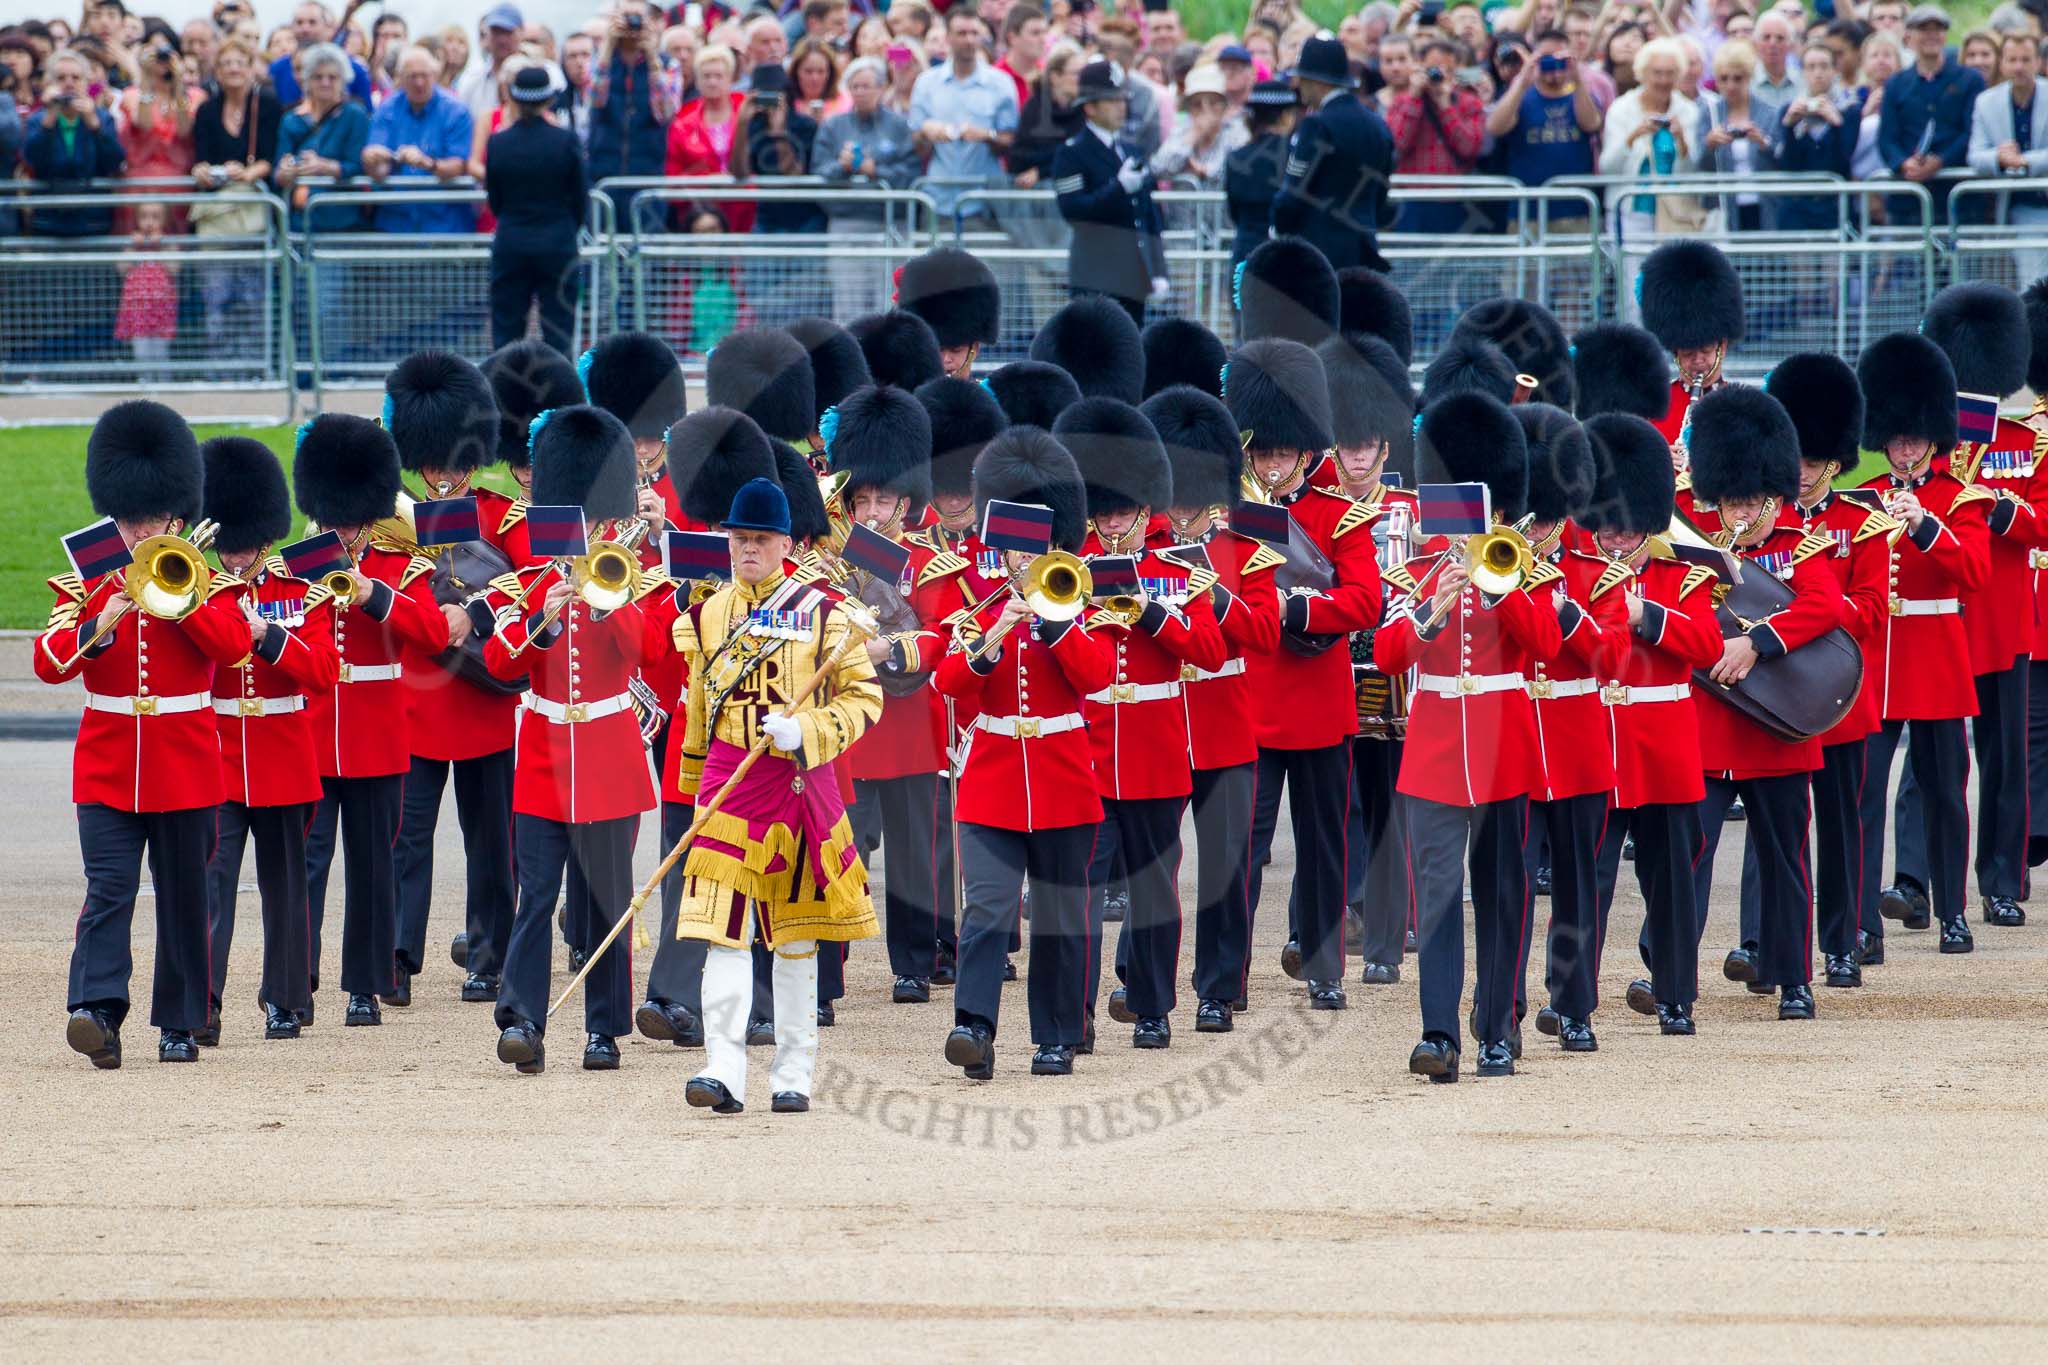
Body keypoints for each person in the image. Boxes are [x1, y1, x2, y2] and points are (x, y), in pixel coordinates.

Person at [36, 402, 250, 1068]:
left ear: (176, 517)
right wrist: (106, 608)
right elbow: (50, 659)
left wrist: (178, 599)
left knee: (186, 895)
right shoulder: (89, 580)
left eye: (151, 520)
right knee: (109, 890)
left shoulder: (205, 580)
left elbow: (236, 648)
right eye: (130, 520)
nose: (139, 531)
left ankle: (181, 1020)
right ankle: (97, 1009)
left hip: (185, 763)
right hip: (107, 762)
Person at [671, 475, 882, 1112]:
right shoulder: (708, 613)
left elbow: (865, 699)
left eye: (760, 539)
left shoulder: (826, 610)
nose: (747, 550)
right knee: (723, 933)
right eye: (739, 539)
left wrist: (807, 730)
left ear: (784, 542)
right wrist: (693, 790)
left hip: (796, 782)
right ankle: (723, 1069)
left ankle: (792, 1073)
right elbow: (701, 710)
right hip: (730, 786)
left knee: (795, 937)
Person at [1375, 392, 1562, 1081]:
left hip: (1501, 748)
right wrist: (1433, 608)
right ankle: (1438, 1032)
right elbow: (1390, 652)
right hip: (1432, 754)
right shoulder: (1420, 573)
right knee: (1440, 897)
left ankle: (1498, 1027)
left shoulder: (1523, 568)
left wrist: (1500, 584)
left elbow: (1545, 642)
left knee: (1503, 891)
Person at [476, 406, 662, 1075]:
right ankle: (521, 1018)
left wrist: (602, 595)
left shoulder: (623, 578)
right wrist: (546, 615)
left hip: (609, 755)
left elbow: (646, 649)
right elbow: (500, 663)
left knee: (608, 900)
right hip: (545, 760)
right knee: (537, 896)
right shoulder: (529, 586)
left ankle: (604, 1027)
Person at [936, 427, 1112, 1078]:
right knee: (985, 907)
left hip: (1064, 778)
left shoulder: (1078, 598)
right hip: (991, 780)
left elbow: (1096, 677)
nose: (1019, 554)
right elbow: (950, 684)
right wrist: (996, 631)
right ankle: (973, 1027)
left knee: (1062, 916)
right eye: (1010, 543)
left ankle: (1057, 1034)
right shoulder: (979, 607)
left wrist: (1056, 624)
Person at [1057, 398, 1226, 1048]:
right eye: (1102, 513)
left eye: (1121, 511)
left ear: (1143, 508)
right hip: (1091, 752)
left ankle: (1153, 1006)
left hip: (1156, 751)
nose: (1110, 524)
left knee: (1155, 890)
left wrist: (1152, 615)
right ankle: (1071, 1016)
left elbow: (1210, 651)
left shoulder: (1180, 570)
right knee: (1079, 893)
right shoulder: (1070, 572)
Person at [1684, 385, 1849, 1023]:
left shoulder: (1800, 544)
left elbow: (1824, 606)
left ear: (1772, 496)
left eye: (1751, 500)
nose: (1740, 510)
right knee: (1686, 854)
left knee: (1784, 859)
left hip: (1776, 727)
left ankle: (1792, 978)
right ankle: (1669, 972)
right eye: (1730, 499)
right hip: (1711, 727)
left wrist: (1755, 642)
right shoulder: (1699, 552)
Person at [1228, 338, 1383, 1012]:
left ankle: (1324, 968)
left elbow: (1366, 601)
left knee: (1323, 852)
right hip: (1253, 705)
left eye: (1280, 451)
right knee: (1241, 855)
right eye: (1262, 451)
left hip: (1319, 706)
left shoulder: (1337, 515)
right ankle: (1226, 977)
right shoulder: (1229, 518)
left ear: (1303, 449)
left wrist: (1298, 605)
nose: (1270, 462)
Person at [1890, 290, 2040, 937]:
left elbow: (2040, 523)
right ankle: (1916, 880)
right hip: (1936, 620)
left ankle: (2002, 880)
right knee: (1929, 766)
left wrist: (1993, 505)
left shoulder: (2023, 440)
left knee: (2005, 759)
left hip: (2000, 616)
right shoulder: (1931, 440)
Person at [295, 415, 450, 1028]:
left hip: (378, 733)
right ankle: (294, 979)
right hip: (313, 731)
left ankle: (366, 982)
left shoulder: (398, 567)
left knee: (372, 863)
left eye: (354, 519)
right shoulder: (295, 566)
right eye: (337, 518)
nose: (346, 530)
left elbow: (436, 633)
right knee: (307, 862)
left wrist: (373, 596)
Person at [817, 385, 968, 1004]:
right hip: (851, 720)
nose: (873, 510)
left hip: (908, 718)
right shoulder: (828, 559)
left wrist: (887, 649)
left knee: (912, 849)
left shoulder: (930, 562)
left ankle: (912, 959)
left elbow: (941, 635)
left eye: (884, 498)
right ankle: (833, 962)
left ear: (906, 502)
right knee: (841, 841)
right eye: (863, 499)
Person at [1577, 412, 1724, 1037]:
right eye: (1605, 523)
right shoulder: (1575, 572)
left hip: (1661, 743)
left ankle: (1675, 996)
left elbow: (1707, 643)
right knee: (1589, 881)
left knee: (1669, 881)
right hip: (1596, 742)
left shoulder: (1682, 572)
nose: (1613, 536)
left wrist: (1646, 615)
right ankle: (1573, 1000)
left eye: (1624, 523)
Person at [1744, 354, 1889, 989]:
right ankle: (1760, 942)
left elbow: (1875, 611)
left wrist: (1813, 618)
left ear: (1834, 460)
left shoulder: (1860, 521)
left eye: (1811, 460)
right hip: (1770, 689)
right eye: (1793, 458)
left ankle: (1842, 940)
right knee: (1770, 827)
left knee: (1838, 823)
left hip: (1834, 692)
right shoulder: (1757, 518)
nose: (1799, 473)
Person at [199, 436, 339, 1044]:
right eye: (228, 548)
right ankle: (202, 1001)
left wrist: (268, 637)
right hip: (220, 755)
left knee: (286, 886)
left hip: (283, 751)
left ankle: (286, 997)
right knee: (213, 885)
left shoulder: (298, 584)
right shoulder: (196, 583)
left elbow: (324, 671)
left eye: (246, 546)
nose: (237, 558)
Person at [1051, 59, 1167, 326]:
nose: (1121, 106)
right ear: (1090, 107)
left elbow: (1147, 215)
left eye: (1122, 99)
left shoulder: (1131, 150)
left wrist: (1158, 270)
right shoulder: (1071, 153)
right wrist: (1118, 188)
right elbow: (1075, 212)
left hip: (1134, 276)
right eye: (1112, 101)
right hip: (1095, 275)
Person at [1272, 33, 1395, 273]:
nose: (1299, 86)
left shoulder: (1317, 125)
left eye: (1303, 79)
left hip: (1317, 255)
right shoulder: (1378, 125)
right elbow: (1380, 193)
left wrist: (1279, 227)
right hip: (1364, 251)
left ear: (1318, 83)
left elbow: (1293, 193)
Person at [485, 64, 587, 353]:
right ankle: (563, 393)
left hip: (511, 241)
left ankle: (504, 393)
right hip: (558, 243)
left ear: (514, 99)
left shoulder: (498, 142)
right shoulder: (566, 140)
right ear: (548, 100)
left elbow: (496, 199)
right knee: (559, 330)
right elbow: (580, 196)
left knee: (507, 330)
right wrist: (567, 228)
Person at [813, 57, 919, 317]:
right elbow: (818, 172)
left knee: (890, 304)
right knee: (848, 305)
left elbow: (911, 175)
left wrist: (875, 172)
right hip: (847, 224)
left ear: (881, 88)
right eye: (855, 86)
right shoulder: (832, 126)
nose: (860, 92)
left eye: (866, 86)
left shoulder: (899, 126)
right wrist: (842, 166)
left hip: (891, 225)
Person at [910, 5, 1020, 230]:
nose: (969, 40)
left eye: (974, 33)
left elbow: (1010, 142)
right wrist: (927, 132)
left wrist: (986, 135)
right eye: (961, 33)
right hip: (937, 200)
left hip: (984, 202)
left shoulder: (1001, 83)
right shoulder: (926, 83)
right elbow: (918, 147)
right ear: (948, 37)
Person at [1876, 4, 1984, 223]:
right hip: (1909, 198)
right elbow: (1886, 138)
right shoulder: (1896, 84)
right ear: (1909, 36)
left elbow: (1971, 130)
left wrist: (1941, 161)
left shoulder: (1969, 79)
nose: (1931, 36)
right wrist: (1904, 163)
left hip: (1957, 195)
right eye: (1924, 29)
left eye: (1938, 29)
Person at [363, 46, 475, 235]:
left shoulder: (456, 111)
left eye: (425, 75)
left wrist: (426, 163)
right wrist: (371, 159)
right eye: (412, 76)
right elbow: (378, 171)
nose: (419, 82)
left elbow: (458, 166)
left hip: (444, 226)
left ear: (435, 75)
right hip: (396, 225)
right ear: (400, 78)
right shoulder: (387, 109)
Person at [1599, 37, 1700, 243]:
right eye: (1657, 73)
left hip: (1675, 212)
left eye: (1670, 73)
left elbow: (1692, 169)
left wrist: (1681, 140)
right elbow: (1607, 167)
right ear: (1643, 73)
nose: (1663, 80)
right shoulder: (1622, 108)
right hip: (1630, 211)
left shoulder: (1687, 110)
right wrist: (1633, 136)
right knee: (1632, 274)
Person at [1488, 26, 1603, 205]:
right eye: (1546, 58)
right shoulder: (1522, 96)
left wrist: (1577, 80)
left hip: (1576, 206)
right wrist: (1521, 82)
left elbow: (1591, 124)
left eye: (1561, 58)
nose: (1553, 66)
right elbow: (1495, 127)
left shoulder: (1580, 94)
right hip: (1528, 207)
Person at [23, 50, 128, 240]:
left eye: (76, 77)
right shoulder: (38, 119)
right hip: (49, 221)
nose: (69, 83)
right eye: (61, 78)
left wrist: (94, 124)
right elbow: (32, 159)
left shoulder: (102, 117)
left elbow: (115, 161)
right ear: (49, 84)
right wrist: (49, 119)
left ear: (86, 82)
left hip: (93, 221)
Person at [1968, 33, 2048, 283]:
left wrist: (2026, 161)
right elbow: (1975, 154)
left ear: (2038, 62)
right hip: (2018, 208)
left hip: (2041, 199)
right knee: (2032, 281)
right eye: (2012, 59)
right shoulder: (1986, 101)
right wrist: (1999, 157)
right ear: (2002, 63)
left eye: (2026, 59)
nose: (2019, 67)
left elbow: (2027, 160)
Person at [589, 0, 677, 223]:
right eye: (626, 17)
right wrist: (608, 45)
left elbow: (665, 112)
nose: (632, 24)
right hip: (604, 173)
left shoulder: (666, 63)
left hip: (647, 173)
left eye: (637, 18)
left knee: (645, 249)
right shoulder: (601, 60)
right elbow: (594, 101)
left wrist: (651, 57)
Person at [1384, 35, 1485, 229]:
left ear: (1455, 71)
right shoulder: (1401, 102)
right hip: (1411, 201)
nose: (1437, 75)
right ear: (1420, 66)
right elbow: (1397, 144)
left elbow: (1470, 148)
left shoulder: (1468, 103)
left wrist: (1445, 105)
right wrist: (1414, 96)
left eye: (1445, 70)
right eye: (1432, 68)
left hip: (1453, 201)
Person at [274, 43, 369, 232]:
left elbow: (359, 166)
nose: (325, 83)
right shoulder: (291, 119)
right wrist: (284, 172)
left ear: (343, 81)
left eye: (332, 77)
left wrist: (325, 166)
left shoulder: (355, 115)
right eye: (318, 77)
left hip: (341, 221)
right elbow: (278, 168)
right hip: (298, 221)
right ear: (307, 81)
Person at [1698, 39, 1782, 231]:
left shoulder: (1768, 112)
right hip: (1725, 207)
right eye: (1724, 79)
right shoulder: (1708, 113)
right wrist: (1709, 143)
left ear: (1749, 77)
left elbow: (1782, 157)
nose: (1730, 85)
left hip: (1764, 206)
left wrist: (1763, 142)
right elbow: (1698, 163)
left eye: (1738, 78)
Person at [1777, 37, 1859, 230]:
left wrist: (1836, 124)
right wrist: (1789, 127)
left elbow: (1842, 161)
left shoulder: (1850, 110)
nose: (1818, 73)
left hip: (1835, 207)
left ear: (1834, 70)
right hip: (1799, 208)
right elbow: (1788, 166)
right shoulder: (1789, 110)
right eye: (1811, 67)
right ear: (1803, 72)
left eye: (1824, 66)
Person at [665, 45, 748, 229]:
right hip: (700, 217)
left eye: (719, 76)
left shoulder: (747, 110)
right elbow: (673, 178)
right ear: (697, 80)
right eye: (706, 76)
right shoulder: (682, 121)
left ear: (730, 78)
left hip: (745, 209)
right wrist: (710, 180)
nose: (712, 82)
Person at [1225, 78, 1298, 273]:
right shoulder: (1297, 158)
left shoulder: (1236, 159)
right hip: (1288, 257)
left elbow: (1234, 212)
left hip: (1245, 254)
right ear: (1285, 116)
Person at [1153, 62, 1245, 188]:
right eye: (1197, 104)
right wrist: (1193, 136)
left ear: (1224, 106)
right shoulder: (1182, 131)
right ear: (1189, 108)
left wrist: (1205, 173)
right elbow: (1158, 169)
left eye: (1212, 103)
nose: (1205, 110)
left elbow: (1240, 172)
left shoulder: (1236, 131)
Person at [1008, 40, 1086, 187]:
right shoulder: (1034, 108)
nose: (1082, 79)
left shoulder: (1086, 109)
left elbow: (1083, 155)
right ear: (1055, 76)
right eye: (1076, 74)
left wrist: (1041, 171)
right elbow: (1019, 156)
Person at [268, 2, 371, 107]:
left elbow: (366, 114)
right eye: (299, 23)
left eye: (312, 22)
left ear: (327, 27)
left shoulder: (352, 68)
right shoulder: (278, 68)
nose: (305, 28)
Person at [114, 201, 177, 367]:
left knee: (160, 352)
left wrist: (162, 247)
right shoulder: (133, 244)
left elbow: (175, 269)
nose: (149, 222)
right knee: (141, 352)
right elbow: (121, 269)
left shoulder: (169, 244)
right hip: (137, 310)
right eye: (144, 217)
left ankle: (163, 387)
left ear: (165, 220)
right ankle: (144, 384)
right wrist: (133, 248)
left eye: (155, 217)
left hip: (161, 309)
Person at [457, 3, 524, 122]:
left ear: (522, 32)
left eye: (508, 32)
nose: (502, 40)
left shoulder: (541, 74)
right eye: (496, 32)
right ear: (486, 34)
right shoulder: (471, 79)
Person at [997, 4, 1048, 107]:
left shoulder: (1047, 75)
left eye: (1045, 32)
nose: (1043, 39)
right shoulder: (996, 77)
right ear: (1012, 38)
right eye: (1035, 33)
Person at [788, 36, 845, 121]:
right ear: (796, 72)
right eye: (808, 71)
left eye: (821, 71)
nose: (815, 78)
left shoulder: (845, 103)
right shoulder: (787, 104)